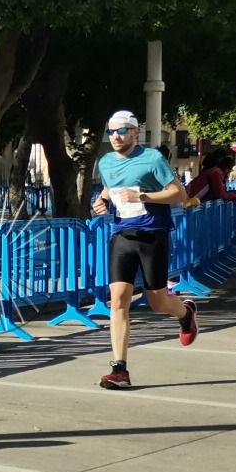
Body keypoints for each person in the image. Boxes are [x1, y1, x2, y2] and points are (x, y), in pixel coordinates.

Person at [90, 110, 197, 390]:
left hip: (153, 235)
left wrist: (142, 196)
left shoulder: (152, 159)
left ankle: (185, 313)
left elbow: (179, 194)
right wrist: (101, 201)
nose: (116, 136)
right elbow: (109, 188)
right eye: (111, 132)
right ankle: (119, 369)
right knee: (118, 300)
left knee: (157, 302)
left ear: (135, 132)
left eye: (122, 131)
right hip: (122, 235)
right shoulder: (106, 162)